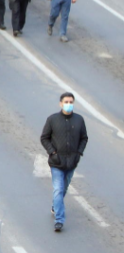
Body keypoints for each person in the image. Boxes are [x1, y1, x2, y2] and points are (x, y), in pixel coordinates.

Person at [40, 92, 88, 232]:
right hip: (57, 162)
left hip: (72, 162)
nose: (68, 104)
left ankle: (56, 206)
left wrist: (78, 153)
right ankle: (59, 220)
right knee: (58, 189)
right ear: (60, 103)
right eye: (66, 102)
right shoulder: (52, 119)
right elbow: (44, 138)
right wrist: (52, 152)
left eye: (71, 102)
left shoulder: (79, 120)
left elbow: (84, 138)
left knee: (64, 188)